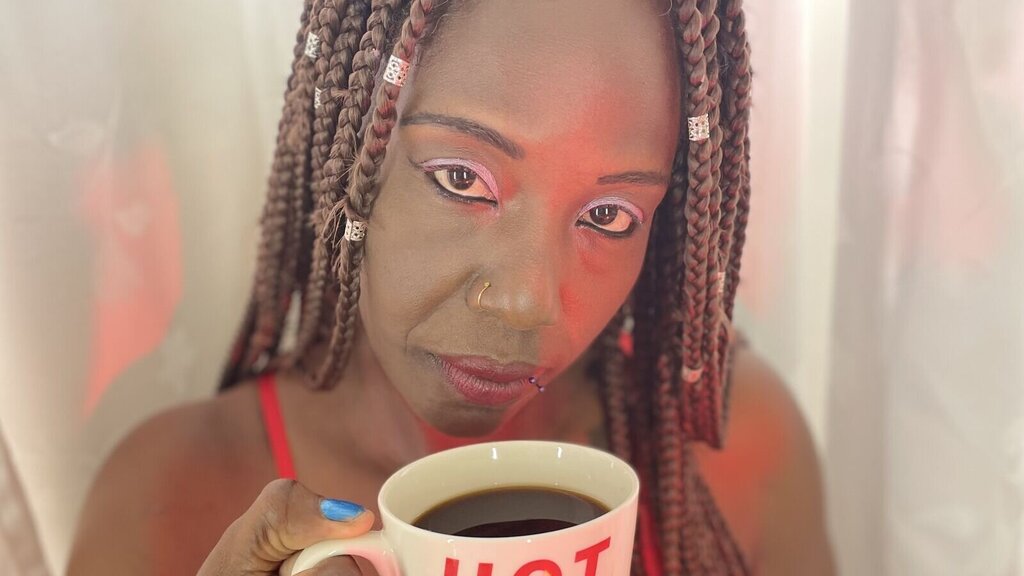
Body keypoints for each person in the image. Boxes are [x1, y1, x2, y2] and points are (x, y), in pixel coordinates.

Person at [68, 0, 835, 573]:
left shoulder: (735, 449)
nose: (527, 302)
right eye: (463, 179)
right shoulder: (167, 502)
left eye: (608, 215)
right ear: (351, 146)